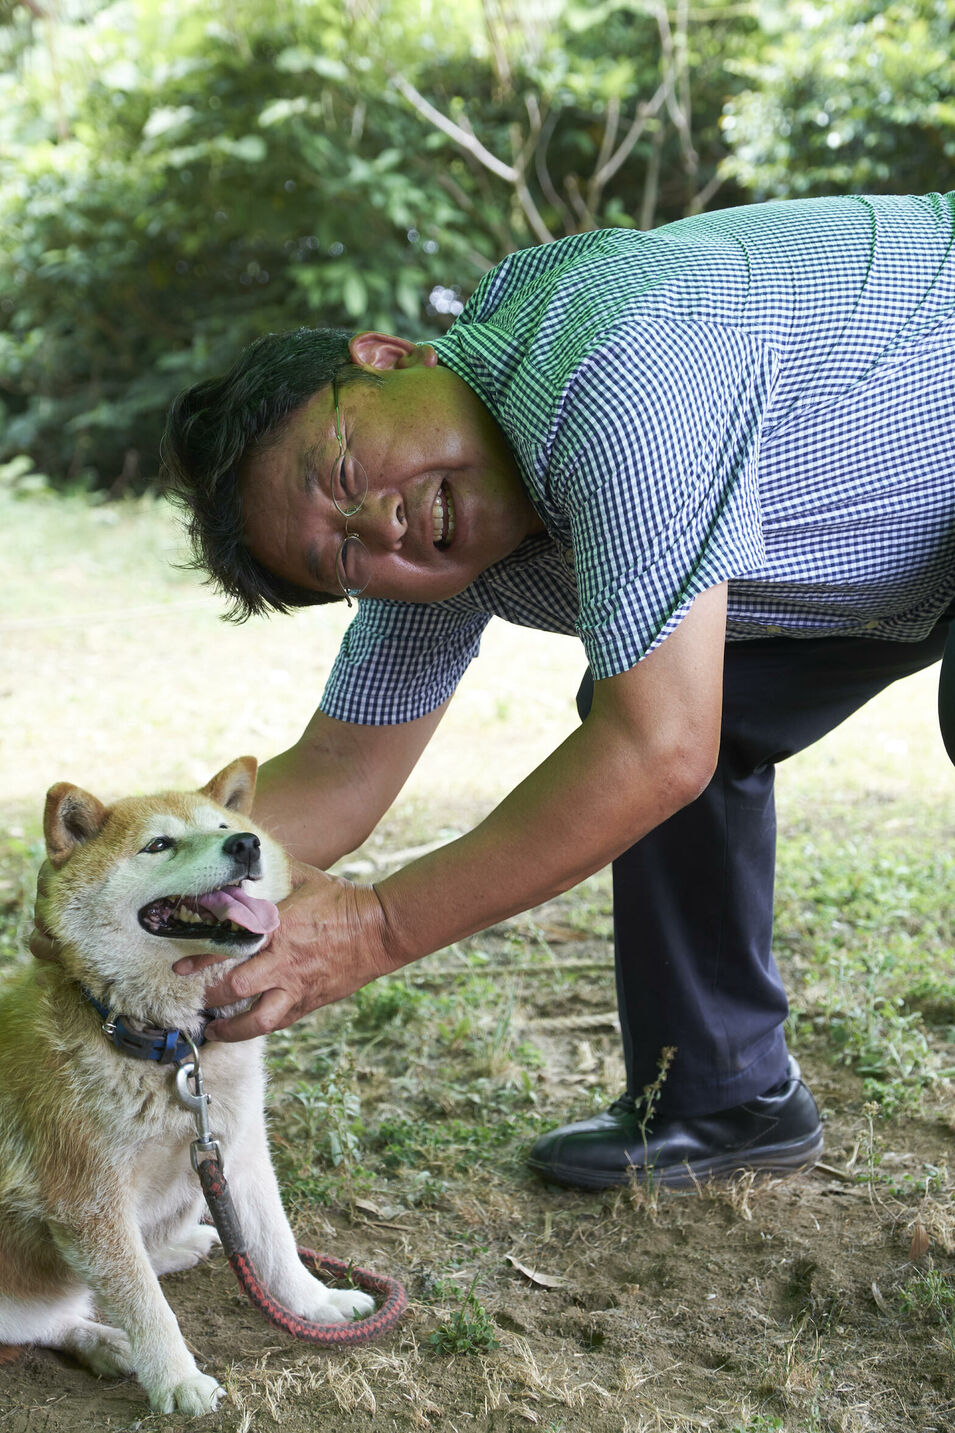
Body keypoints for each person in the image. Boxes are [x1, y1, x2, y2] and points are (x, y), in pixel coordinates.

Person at [35, 192, 955, 1191]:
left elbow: (659, 747)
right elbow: (342, 770)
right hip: (900, 551)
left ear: (390, 357)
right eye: (342, 551)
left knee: (651, 732)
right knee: (680, 705)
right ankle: (725, 1094)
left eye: (344, 465)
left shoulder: (614, 363)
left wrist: (374, 928)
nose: (377, 521)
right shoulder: (437, 533)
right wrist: (113, 907)